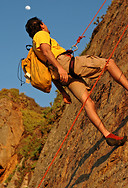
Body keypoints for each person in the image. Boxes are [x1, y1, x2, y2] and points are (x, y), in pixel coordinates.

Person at [25, 17, 128, 147]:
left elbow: (49, 72)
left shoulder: (34, 50)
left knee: (87, 102)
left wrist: (63, 92)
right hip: (65, 65)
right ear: (41, 25)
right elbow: (47, 51)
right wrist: (61, 67)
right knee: (109, 63)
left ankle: (107, 134)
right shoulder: (41, 34)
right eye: (44, 23)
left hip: (62, 76)